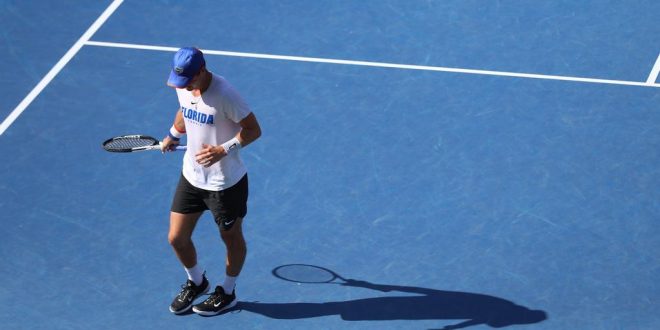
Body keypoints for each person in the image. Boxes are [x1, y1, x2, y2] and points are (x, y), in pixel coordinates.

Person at [161, 47, 261, 316]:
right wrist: (173, 134)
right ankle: (197, 281)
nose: (185, 86)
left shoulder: (225, 94)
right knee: (176, 238)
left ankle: (227, 293)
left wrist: (222, 149)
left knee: (230, 237)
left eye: (189, 80)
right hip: (192, 177)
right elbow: (184, 110)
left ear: (202, 71)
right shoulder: (183, 84)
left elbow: (254, 130)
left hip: (225, 184)